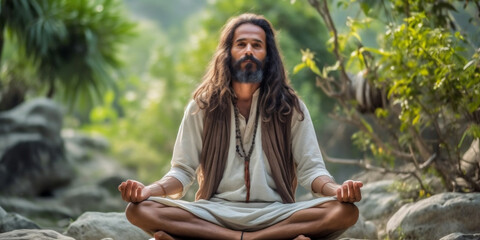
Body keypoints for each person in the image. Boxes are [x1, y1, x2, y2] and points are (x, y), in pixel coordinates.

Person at [118, 13, 363, 240]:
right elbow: (182, 172)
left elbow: (312, 172)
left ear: (268, 56)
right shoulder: (202, 106)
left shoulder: (291, 107)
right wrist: (147, 191)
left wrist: (338, 190)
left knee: (344, 212)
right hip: (213, 212)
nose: (248, 51)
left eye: (257, 45)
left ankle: (230, 239)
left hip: (275, 213)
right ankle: (247, 239)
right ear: (228, 52)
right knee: (139, 210)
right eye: (241, 44)